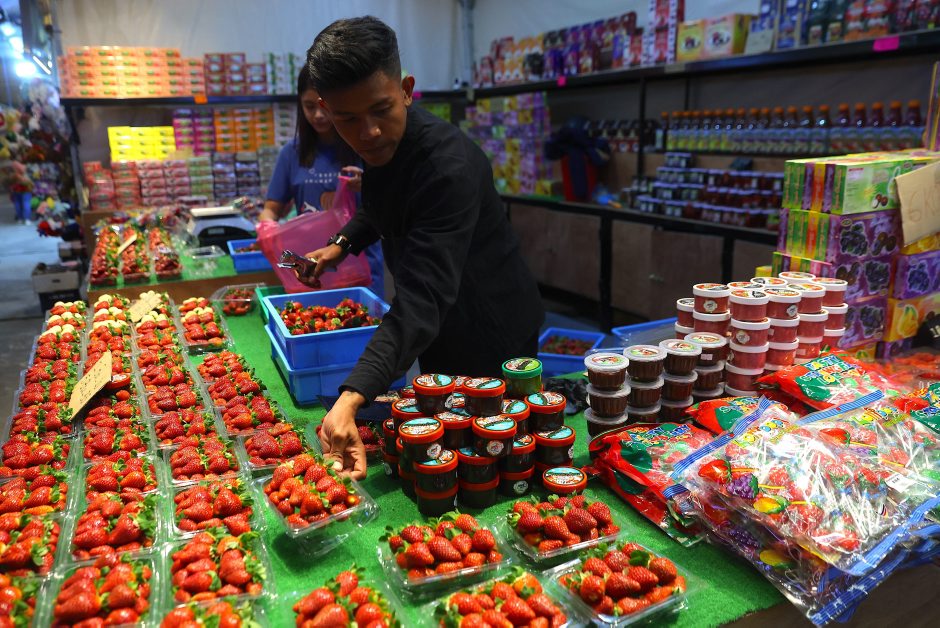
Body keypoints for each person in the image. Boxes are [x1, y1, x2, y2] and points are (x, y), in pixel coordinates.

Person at [300, 16, 544, 479]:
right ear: (328, 110)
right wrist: (341, 244)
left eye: (381, 109)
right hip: (440, 323)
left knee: (487, 457)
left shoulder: (447, 167)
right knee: (443, 435)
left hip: (490, 327)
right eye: (348, 119)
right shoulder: (384, 143)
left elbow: (422, 298)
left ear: (407, 90)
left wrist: (351, 397)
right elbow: (382, 204)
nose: (368, 132)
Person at [259, 65, 384, 296]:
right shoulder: (291, 153)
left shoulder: (366, 145)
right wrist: (266, 228)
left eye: (324, 106)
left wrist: (369, 185)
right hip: (311, 269)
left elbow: (390, 201)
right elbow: (271, 209)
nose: (317, 115)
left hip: (361, 267)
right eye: (309, 106)